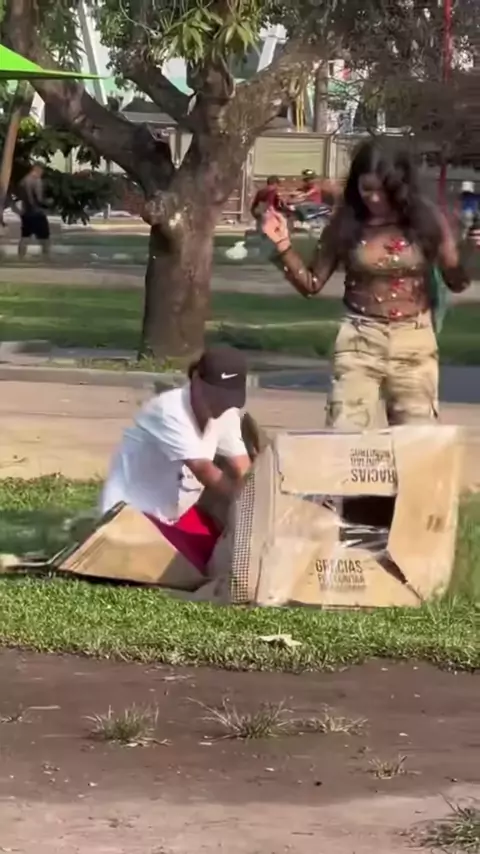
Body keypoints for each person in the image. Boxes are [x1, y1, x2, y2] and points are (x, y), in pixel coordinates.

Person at [262, 140, 480, 429]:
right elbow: (311, 283)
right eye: (367, 189)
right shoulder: (345, 223)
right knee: (346, 434)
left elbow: (456, 281)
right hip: (359, 338)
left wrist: (471, 252)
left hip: (414, 340)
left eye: (383, 190)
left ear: (400, 186)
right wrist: (282, 247)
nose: (375, 198)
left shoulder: (426, 220)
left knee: (417, 439)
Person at [101, 346, 251, 572]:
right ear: (196, 380)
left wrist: (258, 497)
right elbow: (203, 469)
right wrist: (248, 501)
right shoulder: (169, 410)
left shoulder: (226, 413)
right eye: (216, 395)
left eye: (228, 398)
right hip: (135, 512)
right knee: (198, 567)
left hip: (176, 513)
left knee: (227, 551)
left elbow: (242, 465)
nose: (221, 405)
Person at [17, 164, 50, 260]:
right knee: (45, 238)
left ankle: (20, 257)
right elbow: (39, 199)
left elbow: (20, 196)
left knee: (25, 237)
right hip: (37, 212)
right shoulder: (37, 181)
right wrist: (48, 203)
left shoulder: (23, 181)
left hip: (25, 212)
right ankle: (46, 258)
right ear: (38, 170)